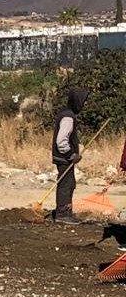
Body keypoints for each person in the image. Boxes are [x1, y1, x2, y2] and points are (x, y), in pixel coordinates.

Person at [51, 87, 89, 223]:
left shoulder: (66, 114)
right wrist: (71, 154)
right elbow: (61, 140)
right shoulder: (68, 117)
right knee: (65, 184)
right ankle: (62, 213)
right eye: (82, 102)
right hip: (64, 158)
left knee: (69, 183)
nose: (83, 105)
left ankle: (66, 211)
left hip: (63, 158)